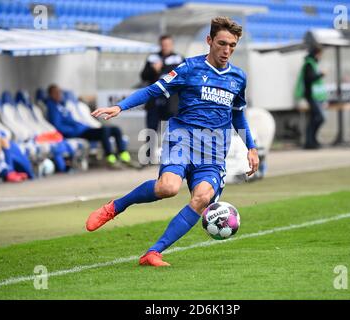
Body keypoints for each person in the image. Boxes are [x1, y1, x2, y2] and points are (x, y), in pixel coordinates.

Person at [85, 16, 259, 267]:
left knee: (202, 198)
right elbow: (152, 90)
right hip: (183, 140)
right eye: (222, 43)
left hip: (212, 153)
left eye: (232, 45)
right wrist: (120, 107)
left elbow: (238, 114)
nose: (227, 50)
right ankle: (116, 207)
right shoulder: (189, 69)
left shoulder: (238, 78)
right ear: (209, 40)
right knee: (167, 188)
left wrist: (250, 147)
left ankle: (153, 253)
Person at [45, 84, 131, 168]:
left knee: (116, 129)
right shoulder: (52, 107)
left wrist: (80, 125)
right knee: (105, 131)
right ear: (51, 94)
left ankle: (123, 155)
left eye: (59, 92)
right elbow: (58, 126)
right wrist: (74, 130)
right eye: (56, 92)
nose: (59, 94)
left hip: (83, 128)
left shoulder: (62, 106)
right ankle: (110, 158)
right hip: (78, 132)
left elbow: (71, 120)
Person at [140, 35, 184, 160]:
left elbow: (182, 77)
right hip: (154, 101)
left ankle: (172, 156)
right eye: (163, 45)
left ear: (172, 45)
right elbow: (143, 76)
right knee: (151, 129)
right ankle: (148, 158)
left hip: (171, 102)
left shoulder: (178, 58)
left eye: (168, 44)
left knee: (172, 129)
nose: (165, 47)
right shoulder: (152, 58)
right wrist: (154, 70)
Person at [295, 45, 327, 149]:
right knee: (319, 118)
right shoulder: (309, 64)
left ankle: (312, 141)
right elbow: (309, 78)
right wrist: (321, 74)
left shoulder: (312, 63)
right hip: (311, 96)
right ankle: (310, 141)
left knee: (315, 118)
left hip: (315, 96)